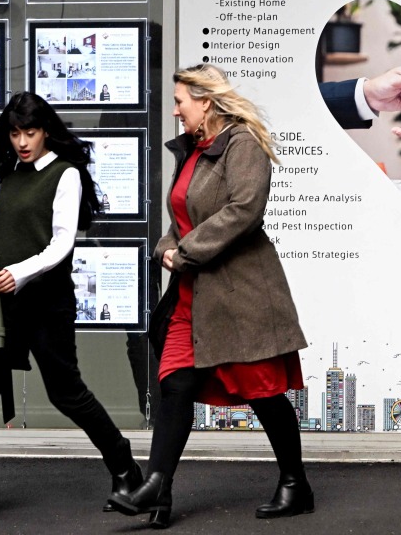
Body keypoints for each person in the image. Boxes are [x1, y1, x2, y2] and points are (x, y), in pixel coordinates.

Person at [108, 63, 312, 525]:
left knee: (263, 392)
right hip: (192, 294)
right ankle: (157, 489)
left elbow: (244, 210)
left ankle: (295, 483)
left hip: (240, 293)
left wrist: (184, 253)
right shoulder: (195, 151)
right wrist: (166, 249)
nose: (176, 110)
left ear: (205, 101)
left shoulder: (242, 143)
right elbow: (181, 215)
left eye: (181, 101)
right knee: (174, 383)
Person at [0, 91, 141, 526]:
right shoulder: (10, 174)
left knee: (66, 393)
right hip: (3, 304)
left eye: (30, 132)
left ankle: (124, 466)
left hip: (47, 303)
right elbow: (6, 230)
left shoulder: (64, 174)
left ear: (46, 131)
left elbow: (61, 243)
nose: (23, 141)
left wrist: (20, 272)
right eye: (15, 133)